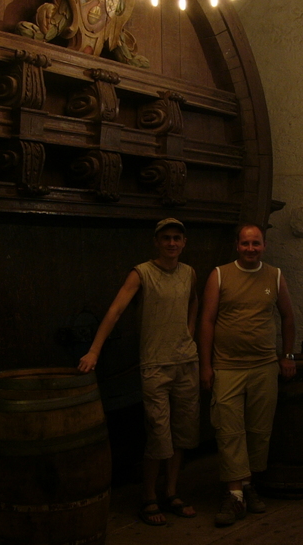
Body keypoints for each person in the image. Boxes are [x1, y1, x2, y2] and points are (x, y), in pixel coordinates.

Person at [78, 218, 200, 526]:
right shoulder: (142, 272)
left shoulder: (189, 273)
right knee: (159, 435)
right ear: (157, 242)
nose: (172, 243)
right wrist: (94, 349)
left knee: (182, 433)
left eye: (177, 238)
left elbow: (193, 302)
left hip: (185, 362)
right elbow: (116, 310)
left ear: (184, 243)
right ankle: (148, 496)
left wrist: (189, 332)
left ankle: (171, 492)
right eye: (166, 238)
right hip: (155, 365)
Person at [199, 223, 296, 527]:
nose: (251, 249)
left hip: (264, 366)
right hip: (227, 367)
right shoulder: (219, 275)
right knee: (229, 430)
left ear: (264, 246)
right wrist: (206, 365)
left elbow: (289, 317)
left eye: (256, 244)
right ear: (237, 246)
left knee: (258, 430)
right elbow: (207, 321)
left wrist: (288, 355)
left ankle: (248, 486)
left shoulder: (275, 276)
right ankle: (234, 495)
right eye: (245, 244)